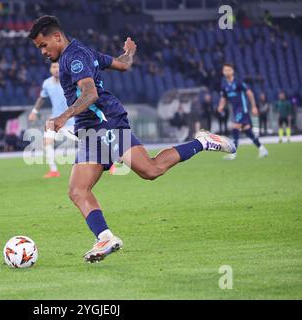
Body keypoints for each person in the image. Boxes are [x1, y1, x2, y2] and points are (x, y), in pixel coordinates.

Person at [28, 15, 236, 263]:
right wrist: (129, 52)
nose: (42, 51)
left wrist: (63, 117)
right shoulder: (82, 51)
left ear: (57, 36)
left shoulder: (74, 58)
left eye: (43, 45)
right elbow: (123, 64)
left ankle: (202, 142)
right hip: (90, 129)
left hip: (106, 122)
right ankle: (105, 237)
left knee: (150, 170)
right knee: (77, 190)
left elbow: (90, 93)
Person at [28, 62, 75, 178]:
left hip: (71, 119)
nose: (56, 69)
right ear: (50, 69)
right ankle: (54, 171)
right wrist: (34, 111)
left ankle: (113, 160)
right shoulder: (47, 83)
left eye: (58, 67)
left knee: (90, 140)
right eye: (54, 67)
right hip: (55, 120)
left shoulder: (70, 80)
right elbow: (42, 98)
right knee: (47, 142)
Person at [217, 63, 268, 160]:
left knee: (235, 127)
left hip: (242, 109)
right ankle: (262, 149)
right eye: (225, 70)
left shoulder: (238, 82)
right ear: (223, 72)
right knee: (247, 131)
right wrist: (220, 106)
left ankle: (233, 153)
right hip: (235, 111)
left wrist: (253, 107)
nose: (226, 72)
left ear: (232, 71)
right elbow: (223, 97)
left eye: (228, 70)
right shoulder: (224, 86)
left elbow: (249, 93)